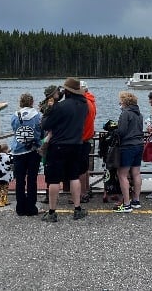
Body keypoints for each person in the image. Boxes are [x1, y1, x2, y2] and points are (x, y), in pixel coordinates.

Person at [41, 77, 89, 222]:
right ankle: (77, 209)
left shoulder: (60, 107)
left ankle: (52, 211)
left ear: (67, 91)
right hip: (76, 144)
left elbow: (44, 124)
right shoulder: (84, 105)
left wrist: (50, 108)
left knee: (54, 180)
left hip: (58, 146)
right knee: (74, 177)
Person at [10, 93, 42, 216]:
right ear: (32, 102)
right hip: (33, 150)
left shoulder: (14, 116)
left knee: (20, 180)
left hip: (18, 151)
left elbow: (14, 130)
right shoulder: (38, 116)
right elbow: (41, 131)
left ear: (20, 102)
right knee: (32, 179)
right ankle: (31, 207)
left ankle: (20, 207)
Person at [113, 91, 144, 213]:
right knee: (136, 173)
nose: (119, 103)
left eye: (121, 101)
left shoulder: (125, 114)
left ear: (125, 102)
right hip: (139, 145)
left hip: (127, 146)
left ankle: (126, 204)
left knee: (122, 174)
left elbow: (122, 131)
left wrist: (115, 131)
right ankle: (136, 200)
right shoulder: (139, 114)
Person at [78, 80, 96, 203]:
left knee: (80, 169)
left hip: (81, 139)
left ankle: (82, 193)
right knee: (84, 167)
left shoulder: (83, 103)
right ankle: (86, 190)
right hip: (88, 137)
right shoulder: (91, 102)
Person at [0, 143, 13, 207]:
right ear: (6, 150)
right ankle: (3, 202)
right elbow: (12, 160)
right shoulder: (7, 157)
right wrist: (10, 153)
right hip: (5, 176)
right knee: (5, 189)